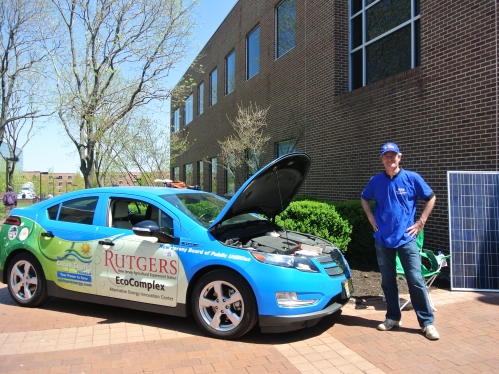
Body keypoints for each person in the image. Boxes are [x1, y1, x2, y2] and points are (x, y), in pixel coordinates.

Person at [361, 142, 439, 340]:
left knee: (415, 280)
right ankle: (393, 317)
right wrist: (370, 217)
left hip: (406, 239)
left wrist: (421, 222)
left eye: (393, 156)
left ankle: (427, 322)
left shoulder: (412, 178)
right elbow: (364, 198)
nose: (390, 159)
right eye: (386, 156)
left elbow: (431, 198)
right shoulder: (375, 181)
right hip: (382, 239)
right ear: (382, 160)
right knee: (388, 282)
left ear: (399, 157)